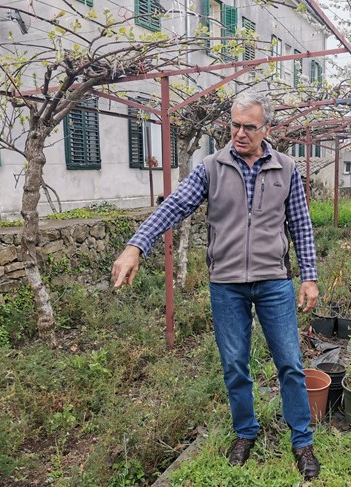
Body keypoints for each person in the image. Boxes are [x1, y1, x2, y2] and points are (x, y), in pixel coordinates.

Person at [111, 92, 321, 480]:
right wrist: (135, 245)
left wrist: (309, 276)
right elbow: (173, 206)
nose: (240, 134)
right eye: (235, 125)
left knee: (290, 364)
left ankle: (302, 441)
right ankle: (245, 432)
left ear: (266, 129)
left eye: (249, 127)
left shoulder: (287, 168)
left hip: (274, 281)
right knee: (235, 364)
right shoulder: (211, 166)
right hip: (226, 284)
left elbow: (301, 224)